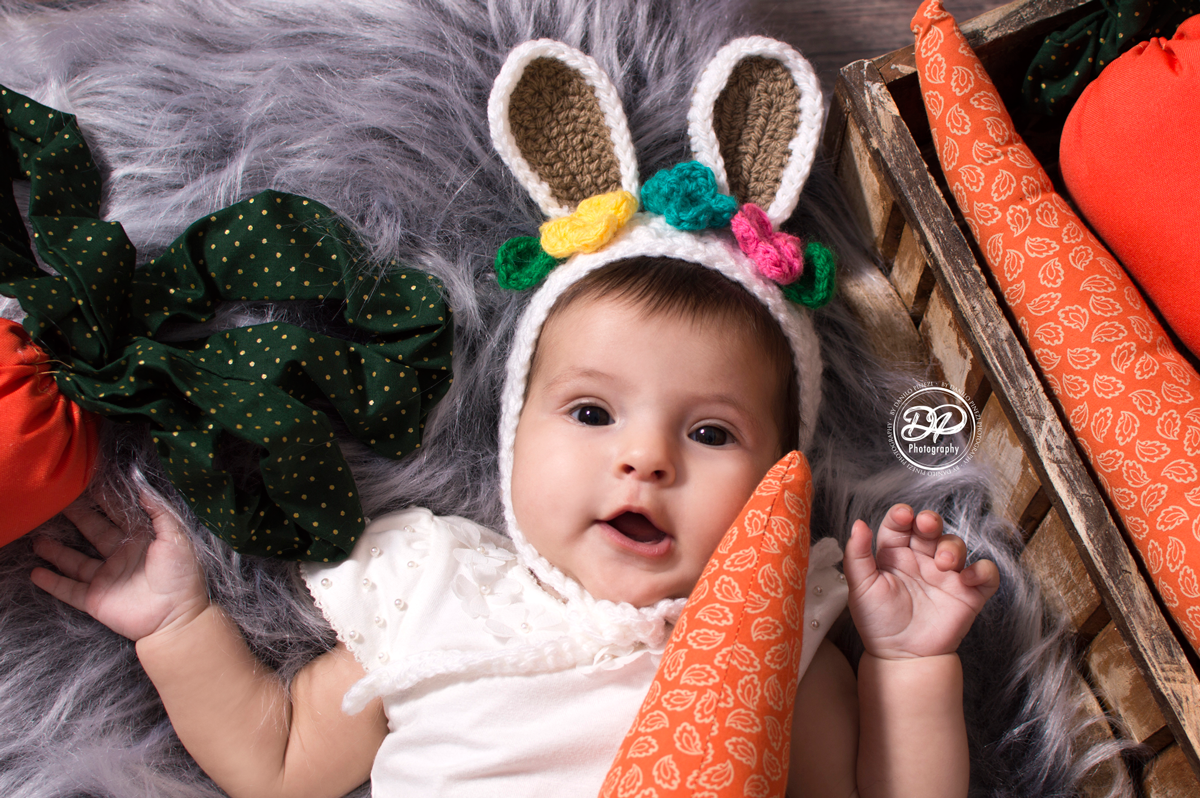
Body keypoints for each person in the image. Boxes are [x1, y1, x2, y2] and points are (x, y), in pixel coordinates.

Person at [27, 34, 1000, 798]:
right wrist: (178, 623)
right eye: (590, 411)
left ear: (781, 479)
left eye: (709, 433)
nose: (644, 460)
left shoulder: (779, 637)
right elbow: (276, 762)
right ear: (513, 436)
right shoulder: (444, 599)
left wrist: (909, 667)